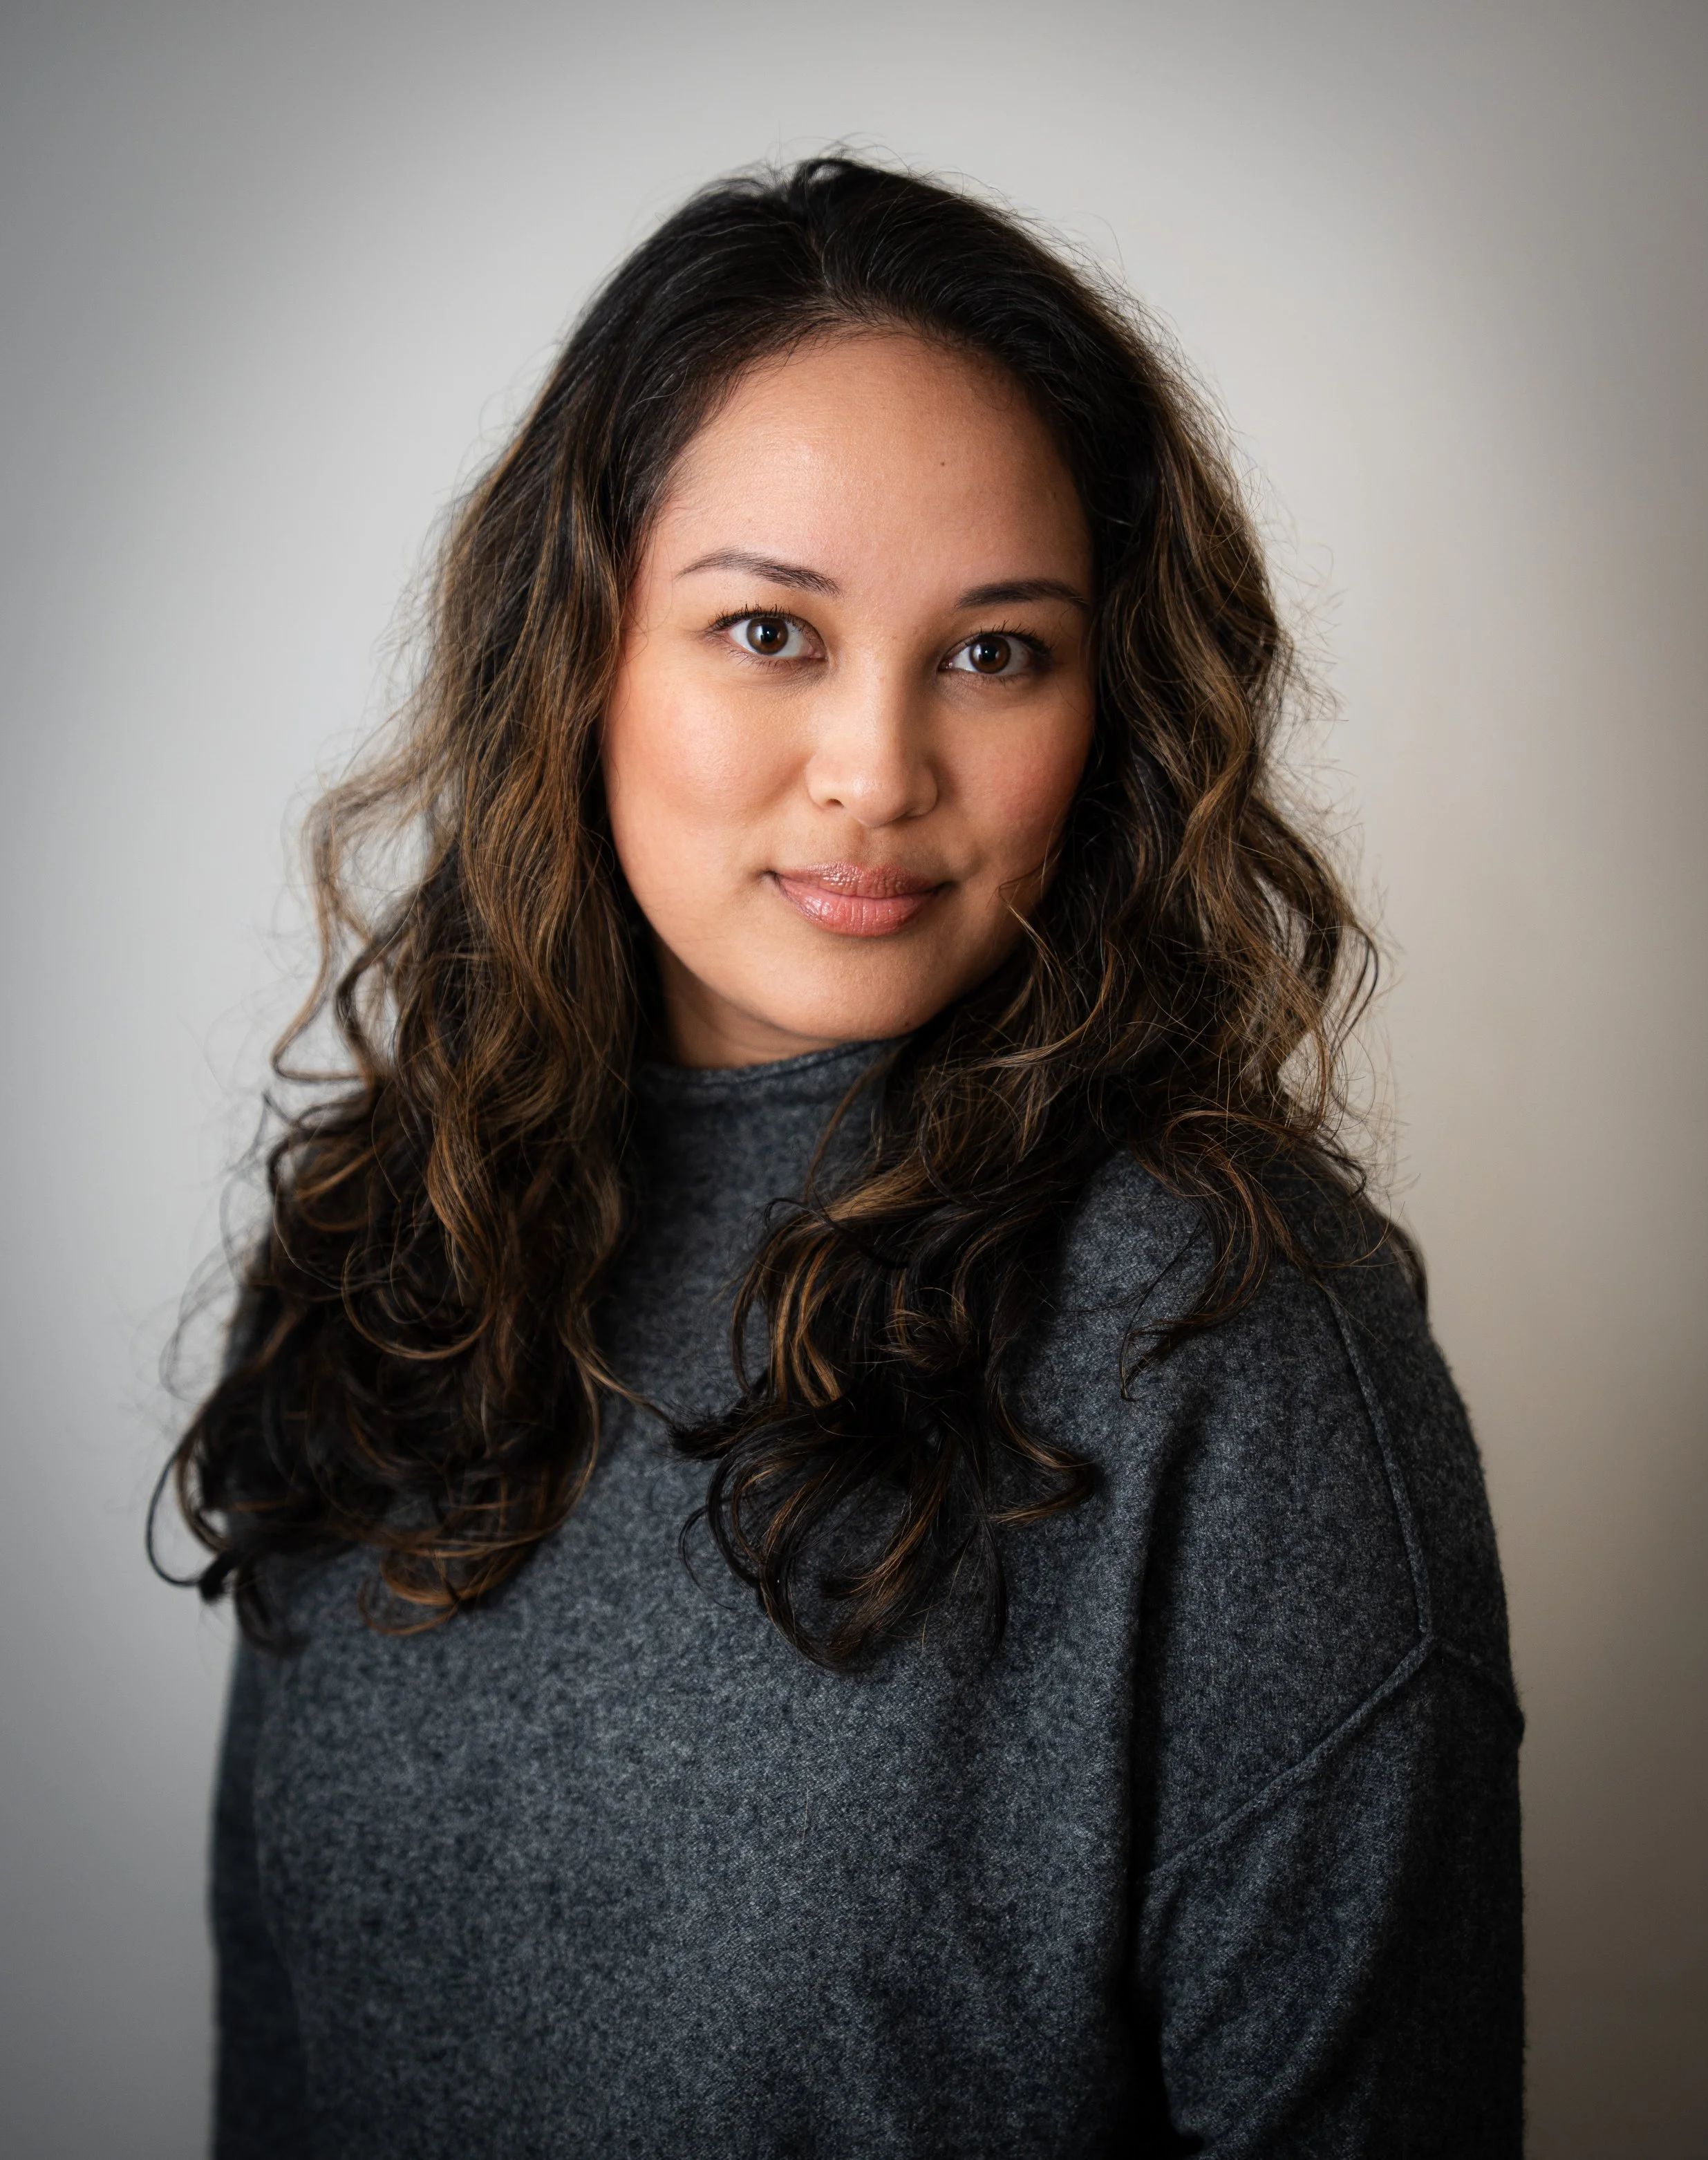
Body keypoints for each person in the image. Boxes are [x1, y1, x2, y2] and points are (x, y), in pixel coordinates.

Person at [166, 155, 1523, 2157]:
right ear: (581, 653)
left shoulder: (1234, 1350)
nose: (877, 770)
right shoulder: (398, 1249)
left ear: (1109, 703)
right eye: (769, 631)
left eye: (995, 652)